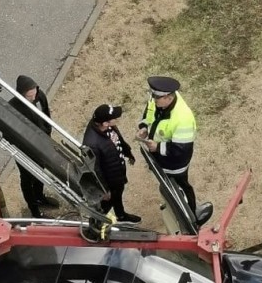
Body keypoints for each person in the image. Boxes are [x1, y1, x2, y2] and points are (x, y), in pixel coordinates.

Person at [137, 75, 197, 213]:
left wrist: (157, 147)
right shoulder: (157, 100)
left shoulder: (183, 118)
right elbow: (149, 113)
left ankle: (192, 216)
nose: (153, 99)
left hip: (175, 164)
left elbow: (181, 150)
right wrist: (144, 127)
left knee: (182, 187)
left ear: (169, 98)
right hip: (160, 158)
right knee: (167, 185)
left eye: (157, 97)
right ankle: (174, 205)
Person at [10, 75, 59, 218]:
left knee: (40, 173)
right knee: (27, 179)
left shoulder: (39, 96)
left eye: (34, 94)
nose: (33, 98)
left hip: (41, 145)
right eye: (29, 96)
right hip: (25, 151)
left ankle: (39, 196)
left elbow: (46, 114)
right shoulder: (13, 109)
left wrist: (47, 134)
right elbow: (10, 134)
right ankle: (35, 210)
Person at [82, 104, 141, 223]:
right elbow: (94, 169)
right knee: (108, 202)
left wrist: (127, 153)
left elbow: (118, 141)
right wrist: (104, 189)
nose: (117, 119)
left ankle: (121, 216)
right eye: (114, 117)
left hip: (116, 172)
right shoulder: (92, 143)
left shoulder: (107, 127)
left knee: (118, 194)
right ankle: (96, 223)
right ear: (105, 123)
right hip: (109, 179)